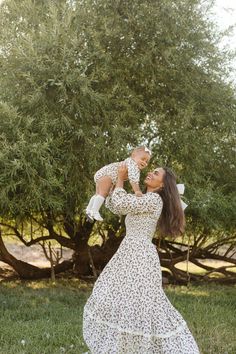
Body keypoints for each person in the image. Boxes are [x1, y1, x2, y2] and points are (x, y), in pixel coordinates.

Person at [83, 164, 200, 354]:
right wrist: (112, 185)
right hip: (130, 252)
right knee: (122, 300)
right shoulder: (144, 198)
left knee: (140, 305)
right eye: (151, 170)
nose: (150, 173)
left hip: (139, 256)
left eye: (156, 173)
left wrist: (121, 178)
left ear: (162, 185)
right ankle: (125, 348)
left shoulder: (154, 199)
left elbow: (121, 204)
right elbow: (117, 206)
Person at [85, 146, 151, 222]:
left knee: (97, 194)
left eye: (147, 161)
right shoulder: (133, 165)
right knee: (103, 193)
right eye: (142, 159)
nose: (144, 162)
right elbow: (134, 179)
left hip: (102, 174)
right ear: (133, 156)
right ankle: (95, 211)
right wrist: (137, 191)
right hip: (107, 175)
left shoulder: (128, 162)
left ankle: (89, 210)